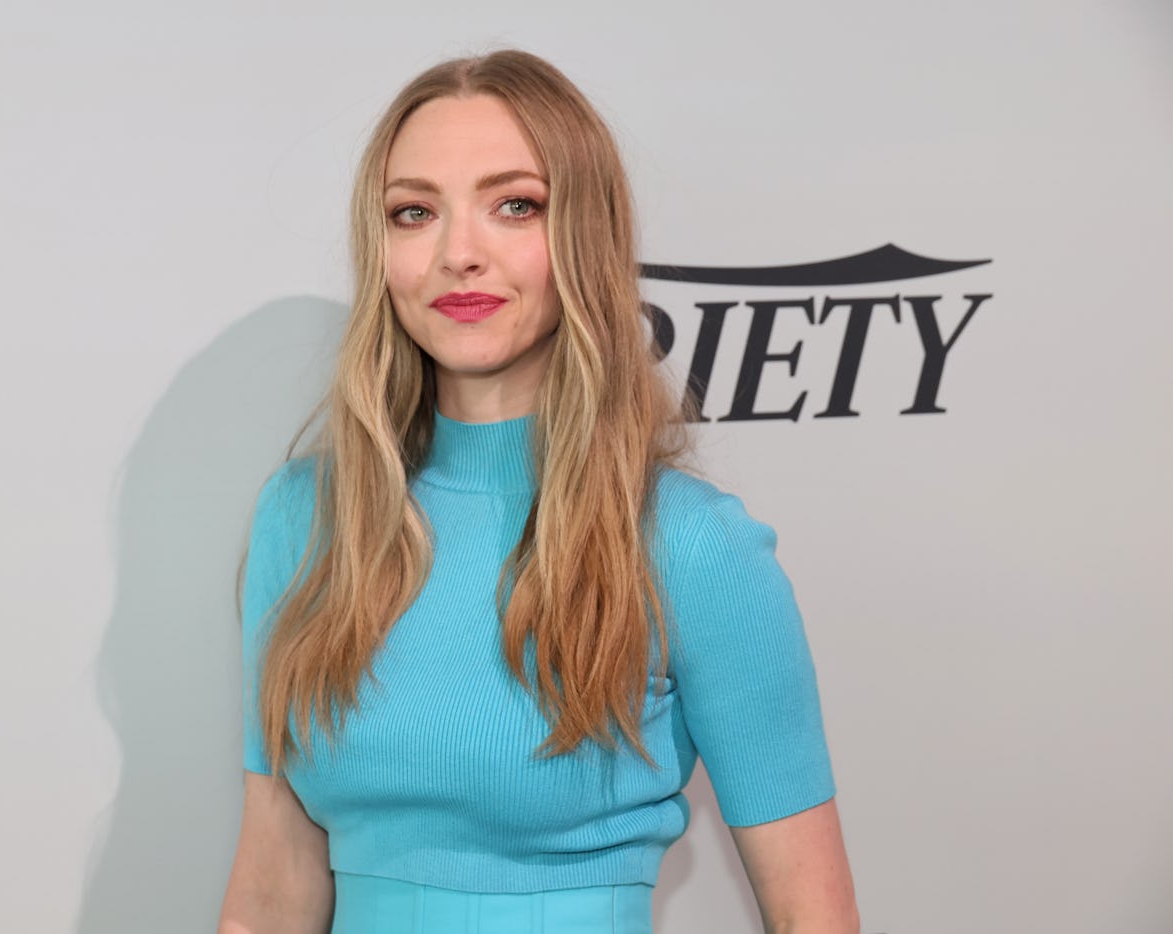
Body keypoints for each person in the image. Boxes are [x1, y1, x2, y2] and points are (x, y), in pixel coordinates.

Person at [219, 49, 858, 934]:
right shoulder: (303, 518)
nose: (458, 255)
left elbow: (812, 917)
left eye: (514, 205)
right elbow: (270, 890)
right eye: (415, 212)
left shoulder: (689, 543)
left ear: (583, 236)